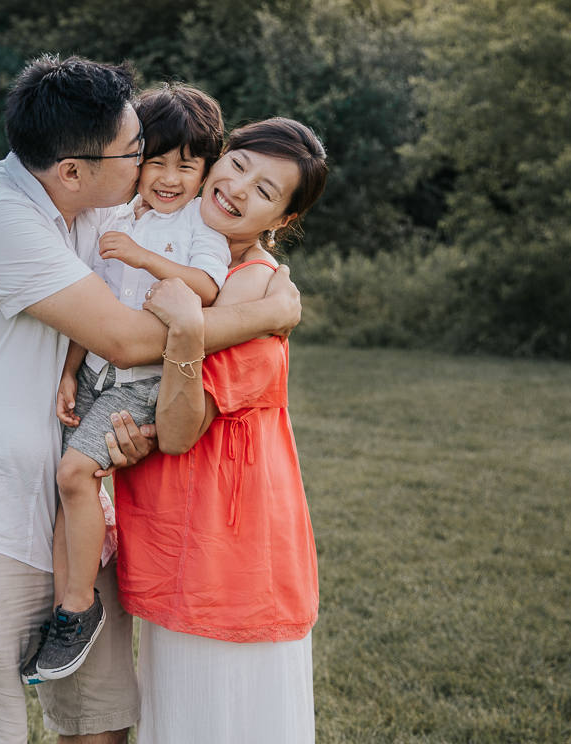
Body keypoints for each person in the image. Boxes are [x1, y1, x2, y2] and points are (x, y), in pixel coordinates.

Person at [0, 56, 302, 744]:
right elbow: (124, 338)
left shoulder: (97, 212)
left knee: (100, 727)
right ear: (72, 169)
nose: (149, 162)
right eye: (134, 150)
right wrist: (270, 312)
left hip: (85, 526)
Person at [116, 118, 329, 744]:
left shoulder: (256, 284)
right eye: (238, 165)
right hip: (178, 535)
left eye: (266, 191)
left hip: (228, 551)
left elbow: (182, 430)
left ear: (281, 220)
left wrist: (188, 330)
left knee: (220, 720)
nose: (238, 189)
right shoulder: (169, 238)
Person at [33, 84, 229, 682]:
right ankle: (70, 599)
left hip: (140, 382)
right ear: (135, 160)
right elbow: (88, 307)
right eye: (156, 161)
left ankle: (79, 606)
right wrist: (68, 373)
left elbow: (207, 289)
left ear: (204, 171)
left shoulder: (200, 226)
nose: (169, 177)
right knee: (72, 487)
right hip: (94, 370)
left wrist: (146, 259)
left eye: (186, 165)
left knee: (74, 473)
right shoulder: (114, 218)